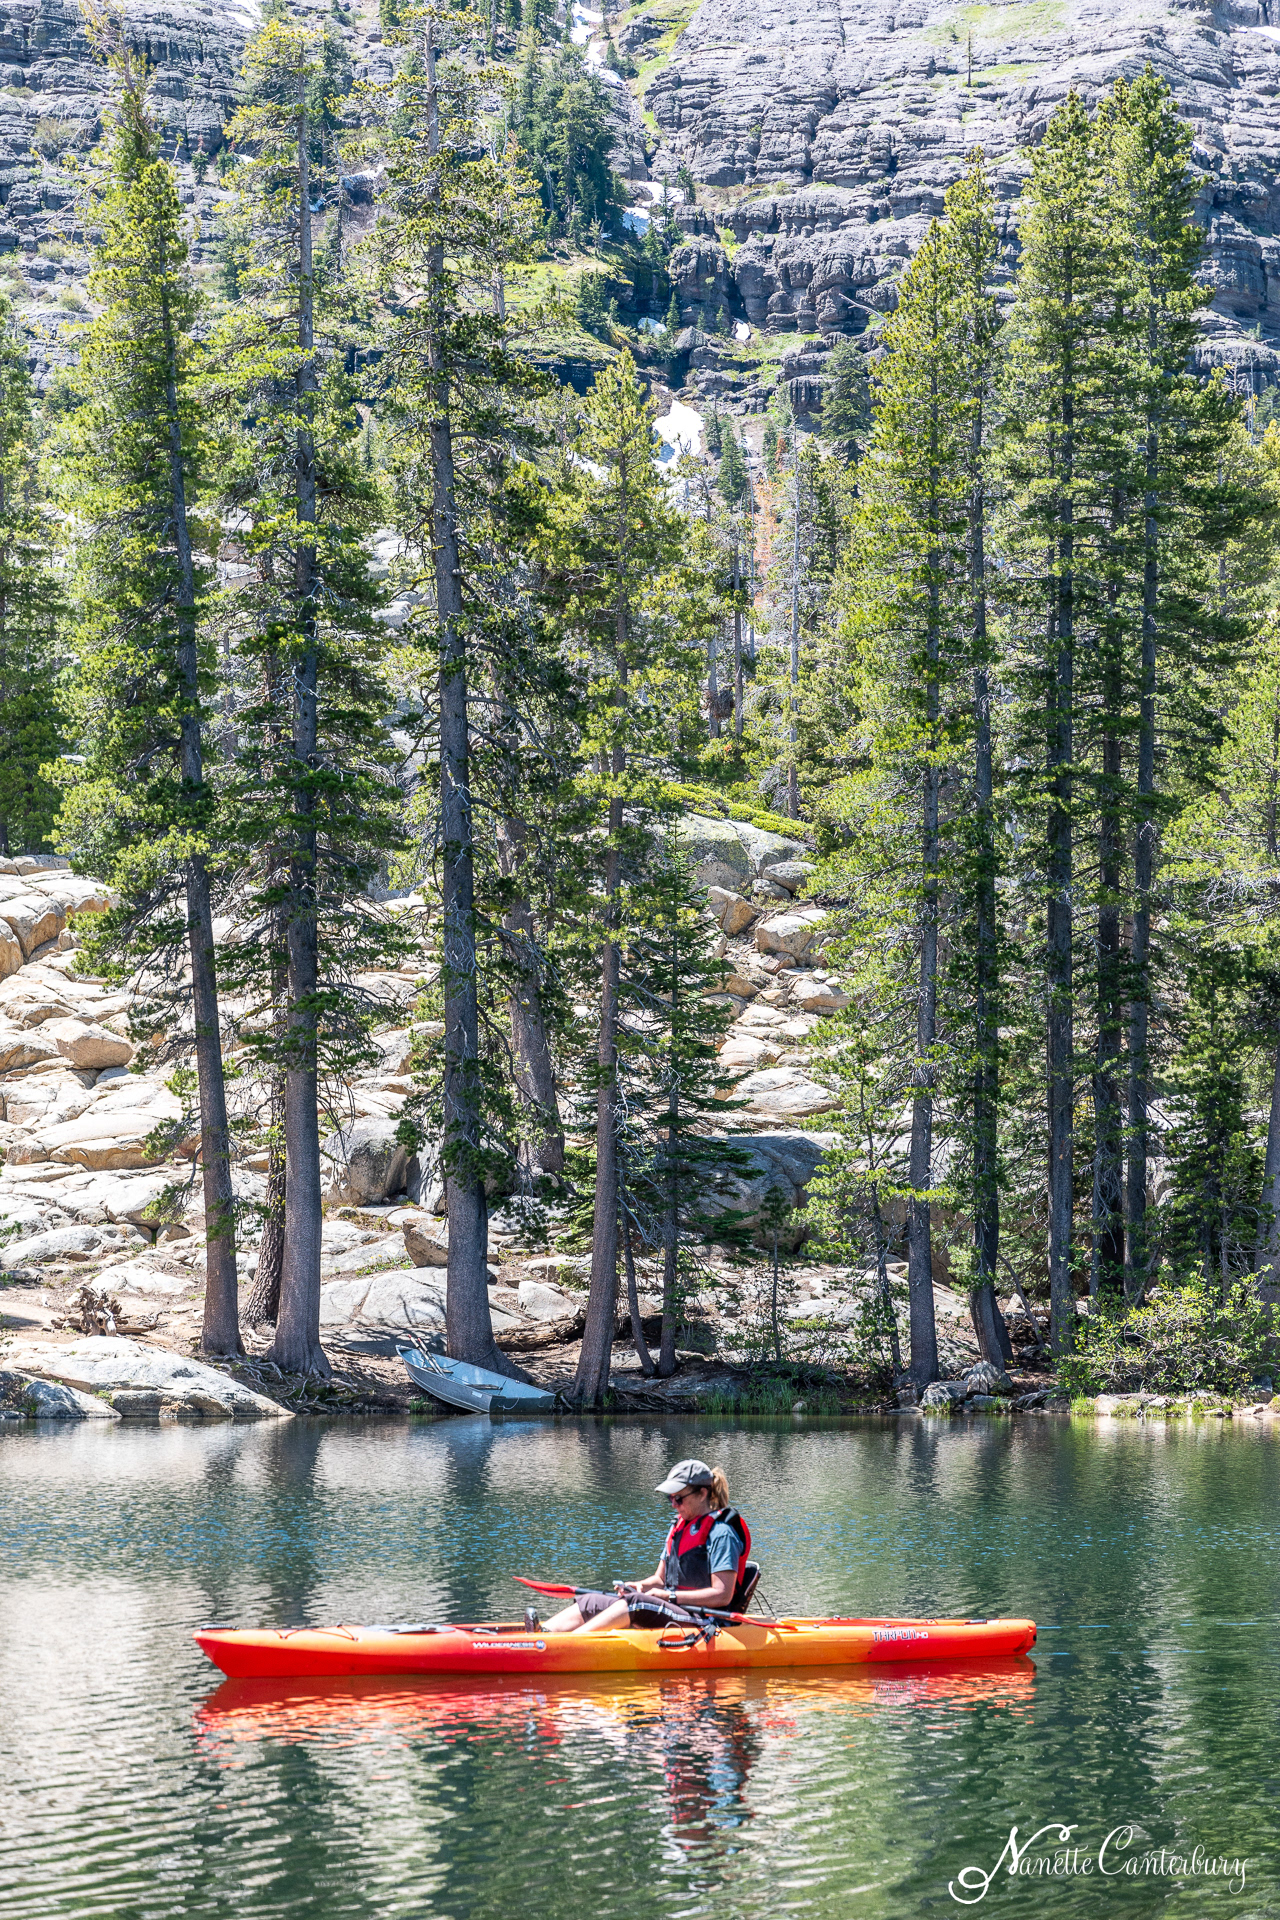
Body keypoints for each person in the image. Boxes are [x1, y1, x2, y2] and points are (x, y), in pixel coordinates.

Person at [540, 1459, 752, 1635]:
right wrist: (640, 1586)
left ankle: (565, 1645)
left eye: (679, 1498)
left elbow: (722, 1595)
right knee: (592, 1601)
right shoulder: (679, 1527)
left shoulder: (721, 1533)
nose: (673, 1505)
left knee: (636, 1604)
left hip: (705, 1619)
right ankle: (543, 1634)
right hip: (676, 1608)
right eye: (670, 1498)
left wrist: (668, 1596)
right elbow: (660, 1579)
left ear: (702, 1494)